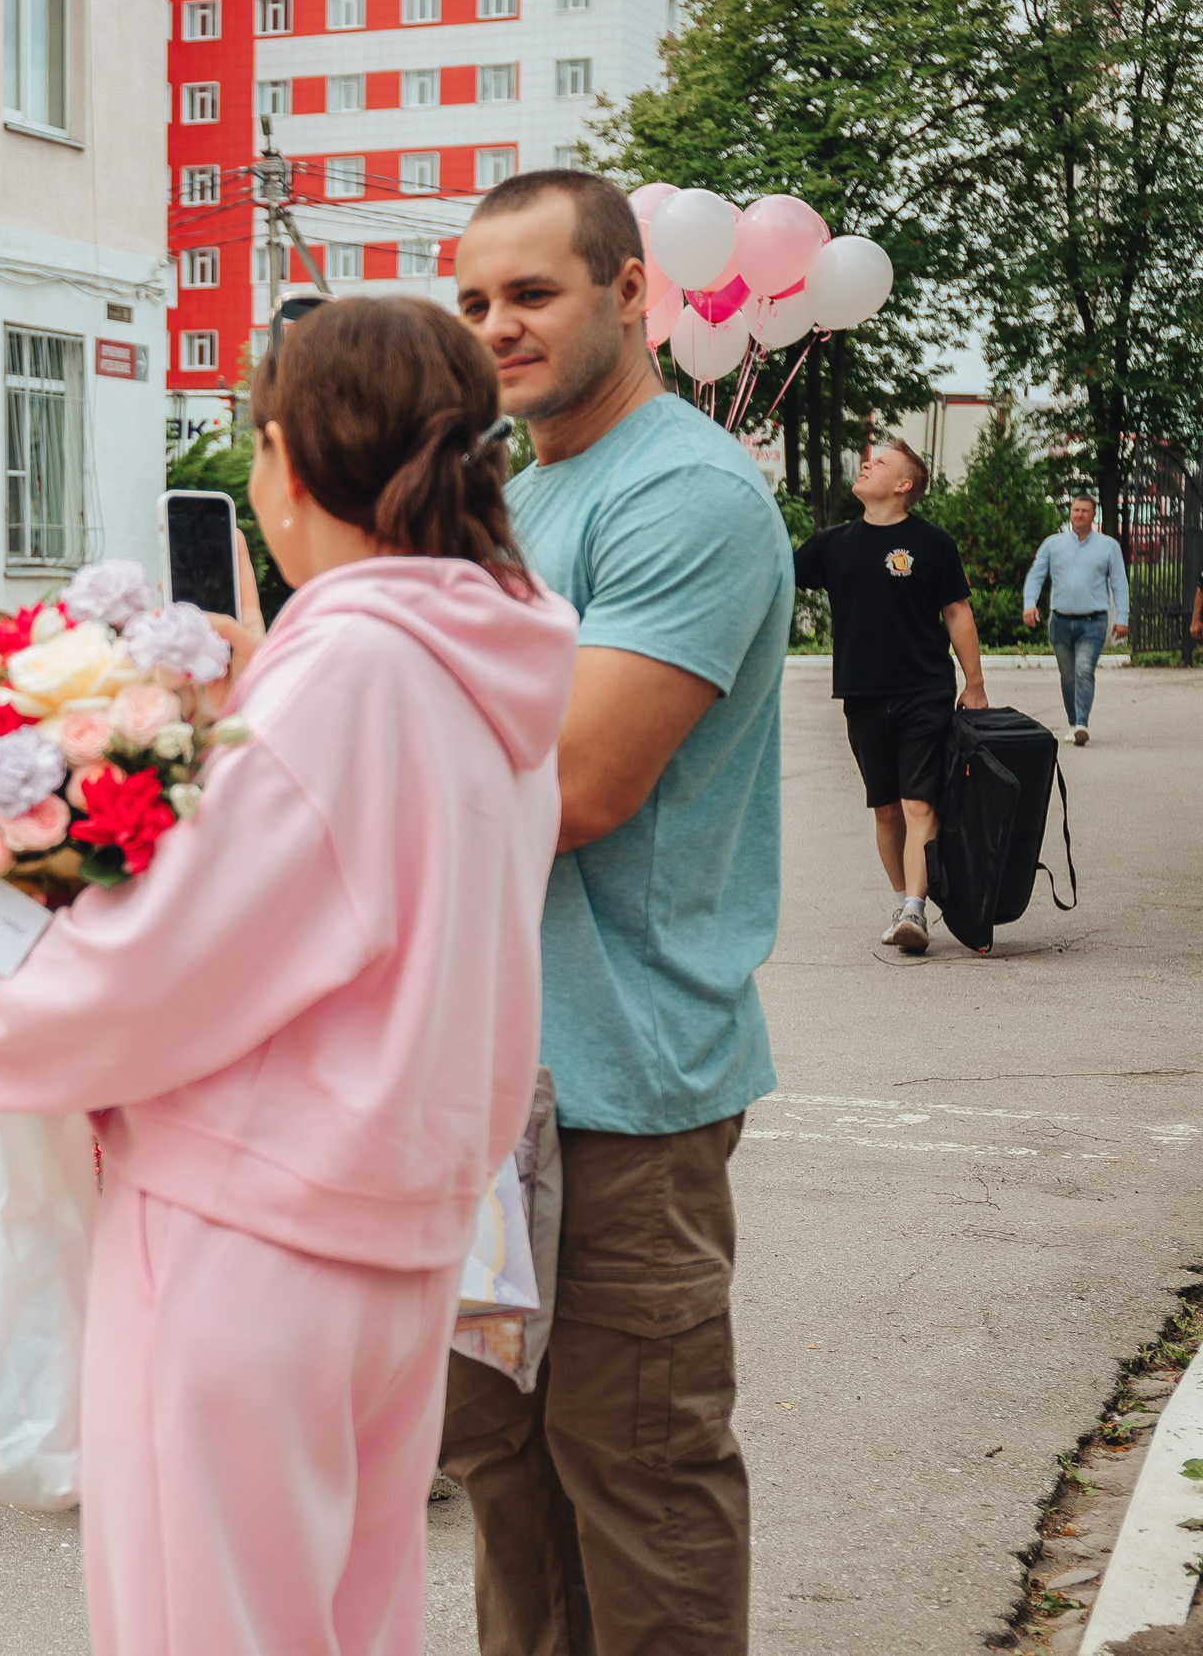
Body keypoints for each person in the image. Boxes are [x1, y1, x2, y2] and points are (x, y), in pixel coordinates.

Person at [0, 297, 578, 1656]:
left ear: (279, 457)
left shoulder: (351, 666)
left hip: (252, 1232)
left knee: (201, 1623)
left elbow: (149, 971)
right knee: (350, 1616)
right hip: (402, 1233)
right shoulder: (490, 659)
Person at [439, 169, 792, 1656]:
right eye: (472, 302)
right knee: (504, 1474)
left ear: (635, 294)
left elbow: (578, 787)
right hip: (481, 1088)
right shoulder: (510, 489)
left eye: (533, 294)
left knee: (639, 1479)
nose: (496, 329)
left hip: (625, 1090)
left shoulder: (686, 495)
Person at [793, 441, 988, 955]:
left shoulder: (932, 543)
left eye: (878, 462)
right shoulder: (831, 544)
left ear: (904, 485)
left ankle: (916, 911)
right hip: (860, 693)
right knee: (884, 809)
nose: (865, 464)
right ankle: (904, 901)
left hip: (923, 689)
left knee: (919, 799)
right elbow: (776, 576)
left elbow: (956, 612)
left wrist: (974, 683)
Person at [1021, 495, 1129, 743]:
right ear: (1070, 513)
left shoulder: (1108, 546)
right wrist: (1030, 604)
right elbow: (1036, 575)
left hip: (1093, 622)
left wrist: (1121, 618)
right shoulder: (1053, 544)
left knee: (1083, 670)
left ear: (1093, 515)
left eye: (1085, 511)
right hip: (1059, 622)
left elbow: (1120, 584)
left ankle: (1082, 723)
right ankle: (1073, 722)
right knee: (1068, 675)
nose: (1079, 514)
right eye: (1076, 510)